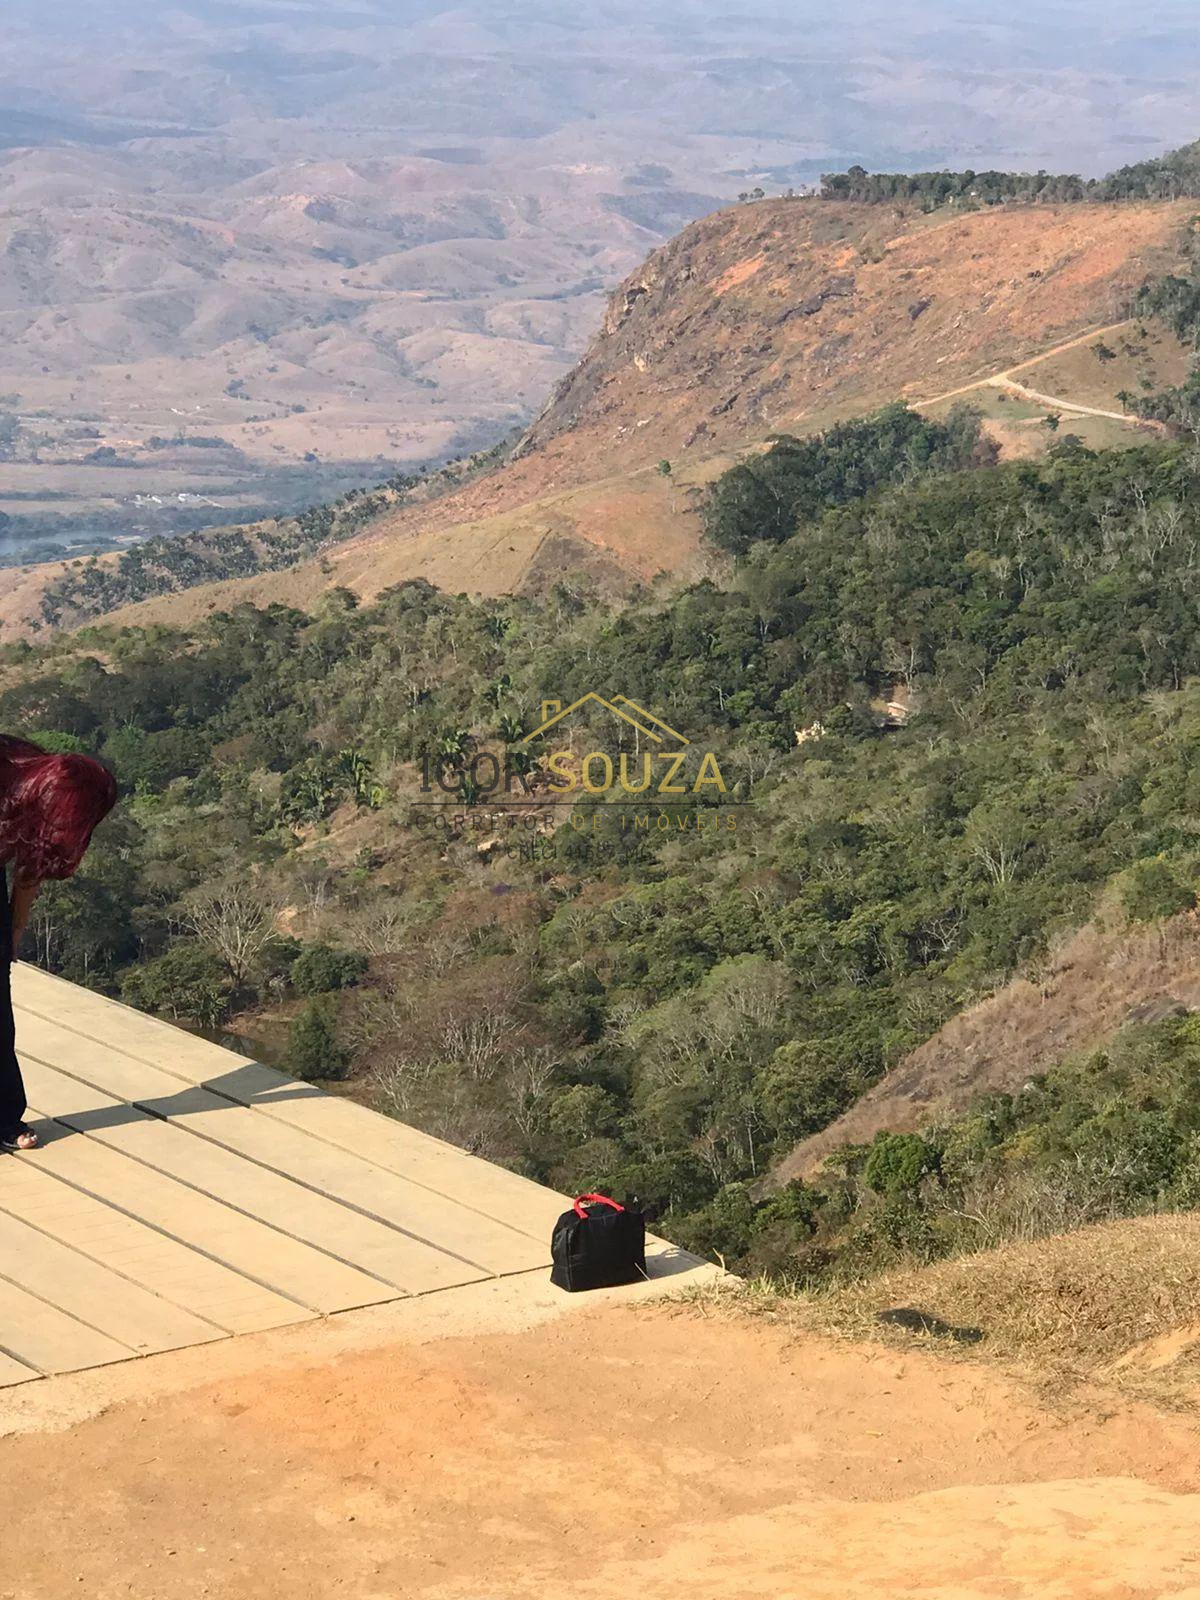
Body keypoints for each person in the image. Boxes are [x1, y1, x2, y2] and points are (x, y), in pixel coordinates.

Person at [0, 735, 117, 1151]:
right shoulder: (9, 767)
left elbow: (31, 866)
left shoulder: (41, 782)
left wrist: (13, 930)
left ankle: (5, 1117)